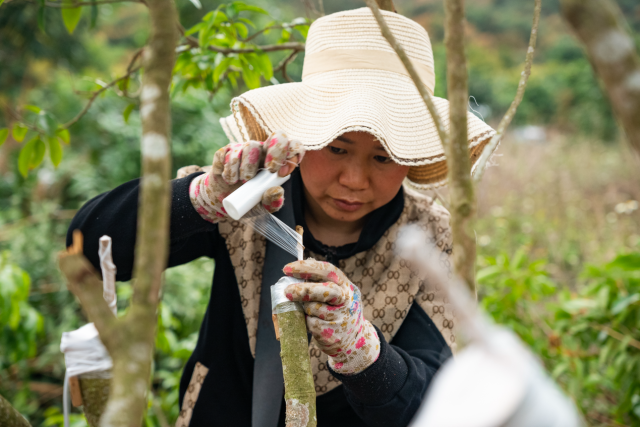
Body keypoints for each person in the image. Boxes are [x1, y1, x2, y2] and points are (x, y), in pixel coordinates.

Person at [67, 7, 496, 427]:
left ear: (409, 158)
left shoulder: (434, 238)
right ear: (306, 137)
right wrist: (201, 198)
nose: (354, 179)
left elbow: (436, 403)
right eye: (337, 148)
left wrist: (365, 354)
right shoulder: (245, 194)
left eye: (383, 157)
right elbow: (89, 248)